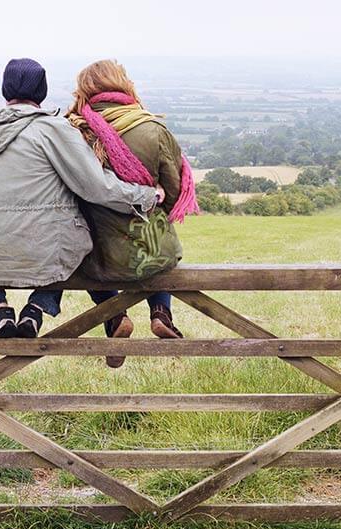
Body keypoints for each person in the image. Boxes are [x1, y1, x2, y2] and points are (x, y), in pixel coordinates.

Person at [0, 58, 162, 347]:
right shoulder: (53, 130)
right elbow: (95, 187)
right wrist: (146, 196)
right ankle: (37, 307)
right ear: (41, 91)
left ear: (6, 91)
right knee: (71, 244)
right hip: (42, 250)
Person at [66, 59, 200, 360]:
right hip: (152, 247)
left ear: (84, 90)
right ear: (123, 83)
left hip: (97, 252)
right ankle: (161, 313)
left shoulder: (73, 130)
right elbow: (174, 191)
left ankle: (115, 317)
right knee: (158, 257)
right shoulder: (152, 127)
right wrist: (152, 204)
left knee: (85, 259)